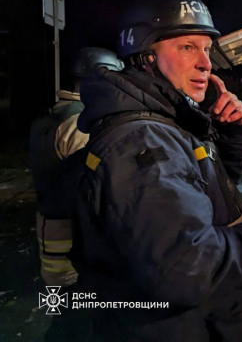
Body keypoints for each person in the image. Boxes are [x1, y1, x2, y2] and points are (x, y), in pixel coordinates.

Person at [71, 0, 242, 341]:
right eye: (187, 47)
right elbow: (185, 267)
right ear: (145, 57)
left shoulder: (165, 124)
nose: (206, 62)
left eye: (206, 49)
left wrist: (232, 133)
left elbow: (201, 194)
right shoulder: (144, 140)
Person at [29, 47, 124, 341]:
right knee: (79, 323)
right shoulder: (78, 124)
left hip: (50, 234)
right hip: (73, 246)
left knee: (65, 317)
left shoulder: (49, 117)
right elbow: (99, 188)